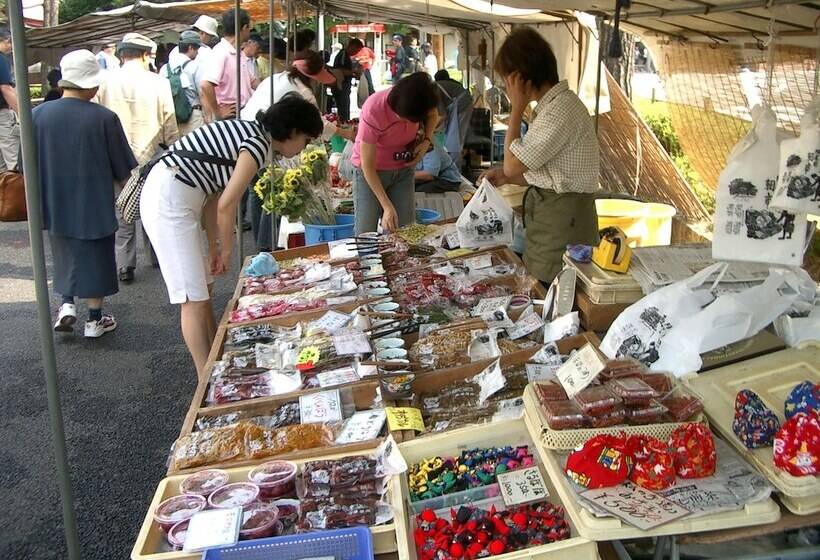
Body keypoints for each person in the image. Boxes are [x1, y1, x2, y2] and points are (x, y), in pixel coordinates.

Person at [139, 94, 323, 375]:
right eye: (306, 140)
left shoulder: (253, 134)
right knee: (192, 298)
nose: (303, 147)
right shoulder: (258, 144)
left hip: (180, 196)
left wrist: (213, 247)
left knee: (203, 289)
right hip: (169, 200)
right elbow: (227, 205)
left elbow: (214, 195)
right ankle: (208, 378)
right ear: (293, 130)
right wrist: (226, 250)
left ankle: (216, 359)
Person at [482, 27, 599, 283]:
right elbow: (550, 171)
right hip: (556, 213)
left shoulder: (560, 110)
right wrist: (506, 177)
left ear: (521, 78)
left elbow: (514, 166)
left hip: (563, 220)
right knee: (540, 281)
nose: (506, 87)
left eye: (508, 81)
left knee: (551, 283)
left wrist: (516, 108)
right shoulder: (554, 107)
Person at [33, 50, 137, 338]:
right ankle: (94, 319)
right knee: (97, 257)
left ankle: (66, 304)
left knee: (64, 252)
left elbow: (23, 163)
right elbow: (123, 168)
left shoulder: (37, 116)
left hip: (53, 200)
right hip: (95, 202)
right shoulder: (104, 118)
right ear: (92, 84)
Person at [241, 52, 356, 251]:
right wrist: (343, 132)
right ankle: (267, 246)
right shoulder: (302, 92)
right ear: (312, 76)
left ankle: (261, 243)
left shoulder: (275, 78)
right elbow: (316, 124)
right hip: (264, 140)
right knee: (274, 194)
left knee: (258, 192)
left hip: (247, 132)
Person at [96, 32, 179, 283]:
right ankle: (157, 256)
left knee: (123, 207)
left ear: (122, 55)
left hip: (115, 155)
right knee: (153, 204)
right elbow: (169, 122)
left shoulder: (105, 81)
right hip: (149, 152)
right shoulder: (158, 82)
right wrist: (174, 148)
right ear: (144, 55)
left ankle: (125, 263)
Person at [352, 73, 440, 234]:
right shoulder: (374, 109)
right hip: (371, 173)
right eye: (405, 120)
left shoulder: (420, 99)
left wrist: (426, 140)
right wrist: (386, 206)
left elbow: (434, 115)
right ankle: (366, 259)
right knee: (366, 234)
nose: (406, 125)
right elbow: (367, 166)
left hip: (403, 171)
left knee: (405, 232)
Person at [200, 8, 254, 122]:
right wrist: (217, 112)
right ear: (244, 28)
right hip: (232, 115)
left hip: (244, 112)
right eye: (249, 28)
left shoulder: (238, 53)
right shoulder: (221, 52)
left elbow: (252, 81)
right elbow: (205, 84)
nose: (250, 32)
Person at [160, 30, 206, 136]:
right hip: (193, 117)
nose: (198, 52)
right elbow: (203, 93)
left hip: (172, 118)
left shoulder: (165, 69)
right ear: (190, 48)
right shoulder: (195, 67)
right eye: (197, 49)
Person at [330, 38, 364, 122]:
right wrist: (354, 72)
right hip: (340, 86)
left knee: (345, 108)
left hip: (344, 86)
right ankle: (344, 125)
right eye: (357, 50)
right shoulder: (343, 55)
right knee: (343, 109)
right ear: (352, 46)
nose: (356, 52)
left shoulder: (346, 56)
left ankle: (345, 123)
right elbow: (340, 70)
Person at [0, 28, 19, 174]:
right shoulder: (1, 59)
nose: (10, 46)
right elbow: (6, 89)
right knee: (13, 160)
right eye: (7, 42)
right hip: (1, 115)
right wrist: (24, 113)